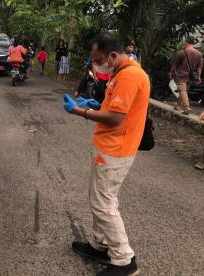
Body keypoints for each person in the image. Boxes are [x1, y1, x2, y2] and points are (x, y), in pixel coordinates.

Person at [63, 33, 149, 276]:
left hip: (115, 150)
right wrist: (97, 104)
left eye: (97, 59)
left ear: (112, 55)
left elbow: (116, 118)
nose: (95, 63)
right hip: (109, 146)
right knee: (100, 198)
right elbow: (115, 109)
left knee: (103, 204)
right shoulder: (121, 72)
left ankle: (124, 259)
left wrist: (80, 111)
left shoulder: (130, 76)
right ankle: (100, 245)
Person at [170, 36, 203, 115]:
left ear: (186, 42)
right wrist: (198, 77)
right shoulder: (199, 54)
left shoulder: (181, 52)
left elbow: (174, 65)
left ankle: (187, 107)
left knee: (183, 91)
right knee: (183, 92)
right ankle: (178, 106)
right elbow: (199, 68)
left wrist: (172, 74)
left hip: (181, 76)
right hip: (191, 76)